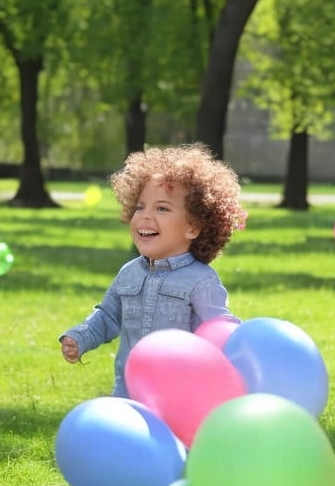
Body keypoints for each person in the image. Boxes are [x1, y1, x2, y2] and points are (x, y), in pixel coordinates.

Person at [59, 143, 247, 398]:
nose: (145, 216)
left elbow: (218, 329)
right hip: (130, 390)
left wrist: (242, 350)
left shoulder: (200, 281)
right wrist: (80, 338)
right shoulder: (129, 273)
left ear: (193, 227)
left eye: (162, 208)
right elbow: (107, 316)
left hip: (179, 396)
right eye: (139, 206)